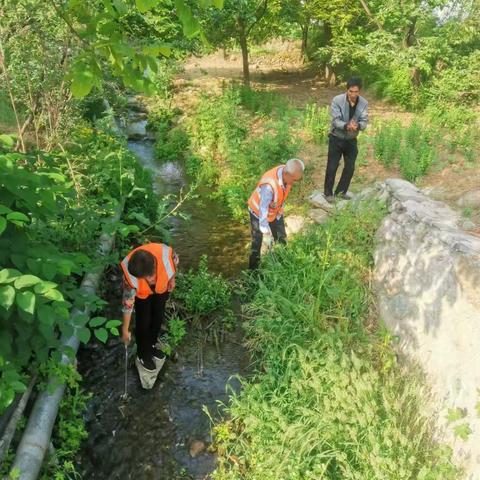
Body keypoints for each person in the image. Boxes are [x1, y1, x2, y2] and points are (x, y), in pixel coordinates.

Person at [120, 242, 178, 373]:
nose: (149, 280)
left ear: (155, 264)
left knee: (158, 315)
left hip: (162, 288)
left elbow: (174, 265)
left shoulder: (166, 255)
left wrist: (172, 279)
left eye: (150, 277)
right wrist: (125, 330)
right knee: (143, 321)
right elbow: (128, 303)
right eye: (144, 278)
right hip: (142, 295)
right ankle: (143, 354)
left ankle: (152, 344)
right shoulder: (130, 274)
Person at [247, 158, 305, 270]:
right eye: (294, 180)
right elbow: (263, 208)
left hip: (275, 212)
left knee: (281, 238)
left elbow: (280, 195)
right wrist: (265, 230)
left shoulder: (287, 172)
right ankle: (253, 273)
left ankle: (283, 265)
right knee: (257, 243)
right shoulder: (269, 186)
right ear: (286, 174)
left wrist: (278, 212)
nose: (294, 183)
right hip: (258, 212)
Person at [324, 77, 368, 202]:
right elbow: (335, 120)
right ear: (347, 90)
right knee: (332, 166)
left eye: (356, 92)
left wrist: (357, 126)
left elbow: (364, 121)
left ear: (360, 91)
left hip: (351, 139)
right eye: (351, 91)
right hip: (336, 137)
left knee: (350, 167)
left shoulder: (364, 103)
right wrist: (346, 125)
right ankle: (328, 193)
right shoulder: (337, 100)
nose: (353, 94)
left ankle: (341, 192)